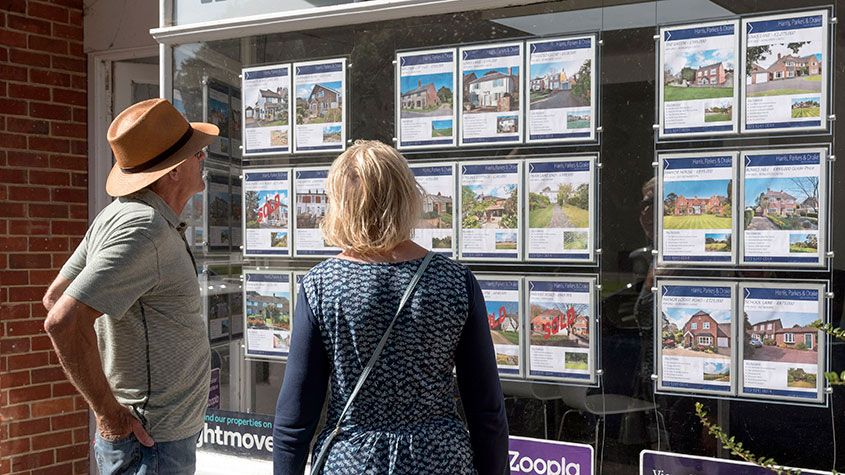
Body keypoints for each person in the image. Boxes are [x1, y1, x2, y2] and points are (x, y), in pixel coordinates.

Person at [273, 140, 509, 474]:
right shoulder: (455, 282)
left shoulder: (321, 286)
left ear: (341, 204)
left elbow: (295, 417)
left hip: (353, 461)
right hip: (441, 459)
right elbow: (486, 410)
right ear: (407, 196)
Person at [42, 98, 219, 474]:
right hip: (151, 444)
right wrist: (109, 414)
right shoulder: (144, 229)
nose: (202, 158)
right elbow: (62, 318)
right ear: (172, 172)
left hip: (153, 440)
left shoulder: (120, 216)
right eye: (195, 154)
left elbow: (55, 294)